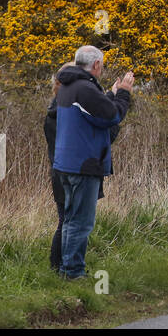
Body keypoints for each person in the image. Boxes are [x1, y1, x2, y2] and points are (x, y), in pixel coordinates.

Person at [51, 46, 134, 280]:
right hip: (83, 164)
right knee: (81, 223)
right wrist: (124, 93)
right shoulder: (85, 88)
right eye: (102, 64)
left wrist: (110, 93)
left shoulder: (68, 86)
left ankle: (66, 270)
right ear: (96, 65)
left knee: (70, 220)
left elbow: (92, 112)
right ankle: (74, 273)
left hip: (66, 164)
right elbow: (111, 116)